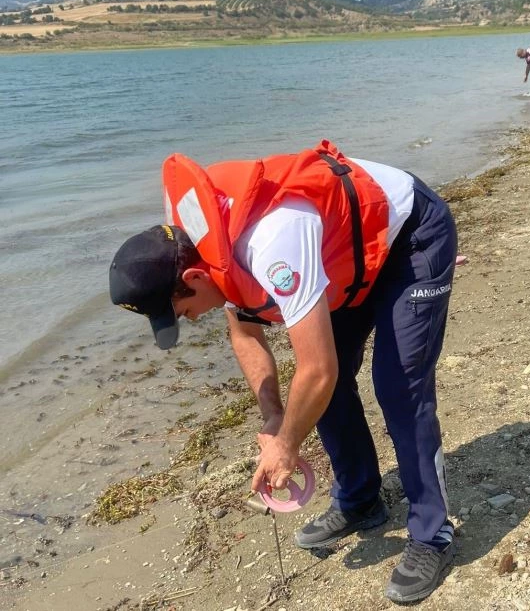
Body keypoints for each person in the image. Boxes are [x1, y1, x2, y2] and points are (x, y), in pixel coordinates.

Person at [108, 140, 458, 603]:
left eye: (182, 311)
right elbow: (245, 335)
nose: (189, 320)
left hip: (409, 237)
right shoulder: (205, 244)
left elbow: (317, 369)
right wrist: (275, 418)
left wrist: (288, 445)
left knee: (397, 387)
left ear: (193, 280)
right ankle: (360, 499)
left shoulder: (272, 245)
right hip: (343, 254)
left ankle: (432, 534)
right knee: (313, 395)